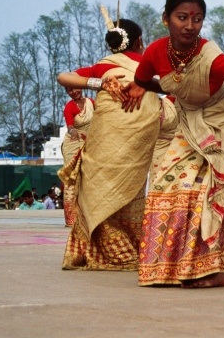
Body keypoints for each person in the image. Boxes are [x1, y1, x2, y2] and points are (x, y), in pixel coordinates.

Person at [128, 0, 224, 288]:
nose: (190, 26)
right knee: (164, 186)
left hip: (223, 118)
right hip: (190, 120)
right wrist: (154, 87)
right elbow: (143, 78)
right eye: (182, 17)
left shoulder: (212, 58)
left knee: (206, 189)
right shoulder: (156, 52)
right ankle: (169, 268)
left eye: (197, 19)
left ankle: (212, 271)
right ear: (166, 18)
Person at [57, 15, 167, 271]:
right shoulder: (147, 66)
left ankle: (109, 249)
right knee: (128, 192)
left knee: (96, 191)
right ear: (139, 41)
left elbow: (64, 77)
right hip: (136, 144)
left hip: (105, 143)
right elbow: (172, 84)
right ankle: (132, 247)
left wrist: (100, 82)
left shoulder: (103, 67)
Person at [61, 88, 94, 227]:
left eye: (75, 88)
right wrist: (72, 130)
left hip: (90, 142)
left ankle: (88, 217)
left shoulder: (91, 103)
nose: (74, 92)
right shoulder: (69, 107)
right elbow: (69, 126)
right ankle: (71, 219)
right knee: (72, 179)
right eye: (70, 90)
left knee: (89, 179)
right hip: (73, 144)